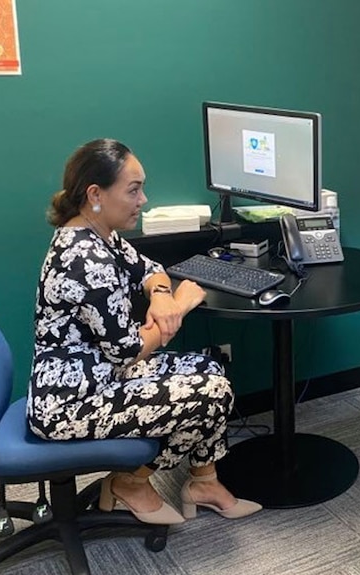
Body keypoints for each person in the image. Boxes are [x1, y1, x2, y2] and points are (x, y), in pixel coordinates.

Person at [27, 138, 261, 524]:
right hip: (69, 402)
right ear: (95, 193)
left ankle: (205, 481)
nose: (143, 200)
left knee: (210, 368)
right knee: (210, 392)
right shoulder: (83, 257)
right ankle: (129, 483)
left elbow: (150, 268)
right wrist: (182, 306)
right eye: (133, 190)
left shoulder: (100, 233)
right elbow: (127, 351)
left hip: (101, 375)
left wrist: (163, 297)